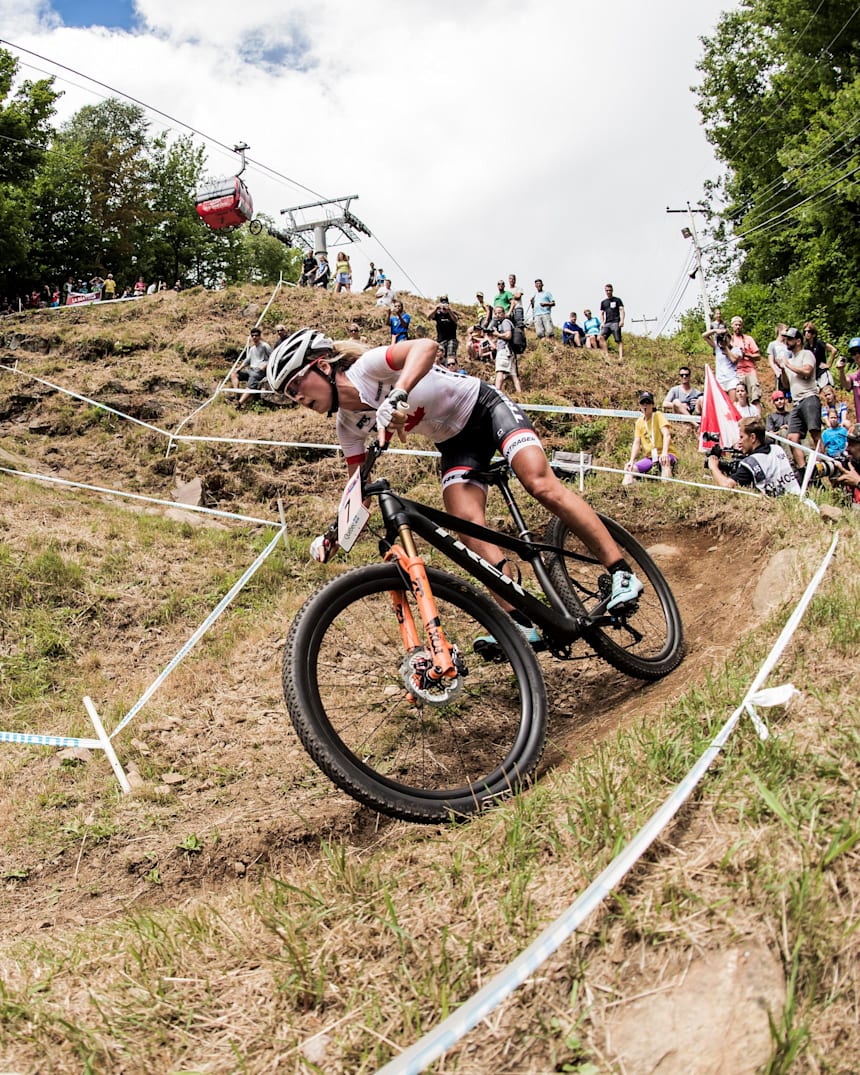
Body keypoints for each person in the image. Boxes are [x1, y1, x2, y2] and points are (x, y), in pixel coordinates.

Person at [267, 329, 645, 625]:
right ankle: (519, 619)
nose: (296, 396)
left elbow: (426, 347)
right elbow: (358, 490)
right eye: (288, 394)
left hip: (484, 408)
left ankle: (621, 572)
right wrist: (335, 535)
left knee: (539, 484)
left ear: (322, 366)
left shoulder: (368, 367)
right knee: (467, 527)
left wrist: (398, 394)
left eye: (296, 384)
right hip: (456, 443)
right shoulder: (347, 426)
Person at [706, 415, 801, 497]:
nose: (740, 441)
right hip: (798, 498)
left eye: (742, 437)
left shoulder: (752, 462)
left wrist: (714, 467)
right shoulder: (777, 449)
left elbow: (727, 485)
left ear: (752, 437)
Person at [777, 326, 820, 468]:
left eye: (790, 339)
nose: (787, 341)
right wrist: (783, 369)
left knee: (815, 434)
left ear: (798, 341)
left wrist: (788, 365)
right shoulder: (790, 360)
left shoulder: (806, 354)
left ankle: (821, 466)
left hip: (809, 398)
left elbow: (807, 371)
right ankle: (803, 469)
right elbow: (786, 384)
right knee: (792, 437)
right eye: (786, 339)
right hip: (796, 403)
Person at [623, 391, 675, 484]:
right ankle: (628, 488)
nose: (645, 405)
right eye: (643, 403)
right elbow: (636, 442)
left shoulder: (658, 416)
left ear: (652, 404)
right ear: (640, 405)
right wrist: (631, 460)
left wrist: (664, 453)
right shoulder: (639, 422)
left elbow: (666, 434)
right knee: (629, 469)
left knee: (664, 461)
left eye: (648, 402)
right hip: (650, 458)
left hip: (666, 454)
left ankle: (667, 487)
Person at [231, 327, 271, 408]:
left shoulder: (265, 346)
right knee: (234, 373)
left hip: (259, 371)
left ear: (259, 336)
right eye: (252, 336)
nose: (254, 337)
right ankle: (236, 396)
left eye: (256, 335)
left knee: (251, 382)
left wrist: (266, 364)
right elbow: (247, 360)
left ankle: (239, 404)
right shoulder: (252, 349)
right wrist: (239, 368)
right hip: (251, 369)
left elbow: (273, 358)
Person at [487, 304, 521, 394]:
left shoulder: (505, 322)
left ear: (503, 313)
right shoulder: (504, 323)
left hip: (504, 351)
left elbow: (508, 335)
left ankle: (497, 393)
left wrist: (497, 334)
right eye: (496, 313)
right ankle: (520, 394)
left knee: (499, 371)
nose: (497, 315)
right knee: (513, 375)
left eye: (499, 313)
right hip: (509, 352)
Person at [728, 316, 761, 404]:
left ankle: (757, 412)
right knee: (739, 397)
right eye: (736, 325)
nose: (738, 327)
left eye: (739, 325)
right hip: (737, 371)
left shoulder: (748, 339)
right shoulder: (729, 340)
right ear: (732, 325)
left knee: (755, 394)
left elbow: (758, 356)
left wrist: (747, 354)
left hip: (750, 370)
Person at [702, 325, 740, 401]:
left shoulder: (736, 349)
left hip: (732, 379)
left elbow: (734, 359)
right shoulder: (717, 348)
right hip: (720, 380)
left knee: (733, 404)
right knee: (721, 404)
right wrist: (715, 331)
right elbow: (704, 336)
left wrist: (725, 347)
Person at [830, 422, 860, 507]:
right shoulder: (853, 465)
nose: (847, 448)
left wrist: (857, 481)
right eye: (847, 443)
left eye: (852, 444)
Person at [803, 321, 837, 388]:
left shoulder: (819, 343)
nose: (807, 333)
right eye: (805, 332)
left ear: (813, 334)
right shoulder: (806, 347)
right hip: (814, 375)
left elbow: (834, 350)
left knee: (826, 391)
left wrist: (829, 365)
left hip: (822, 373)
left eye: (809, 331)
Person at [836, 338, 860, 421]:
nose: (857, 355)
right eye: (854, 353)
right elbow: (845, 384)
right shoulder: (855, 376)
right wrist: (841, 370)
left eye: (859, 351)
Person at [598, 284, 625, 360]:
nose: (608, 292)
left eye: (610, 290)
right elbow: (601, 313)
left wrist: (622, 320)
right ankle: (606, 355)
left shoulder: (617, 300)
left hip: (615, 322)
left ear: (612, 290)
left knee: (618, 340)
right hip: (607, 323)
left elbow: (622, 310)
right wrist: (602, 323)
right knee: (600, 337)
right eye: (607, 290)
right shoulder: (603, 302)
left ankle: (621, 357)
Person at [429, 296, 459, 360]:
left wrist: (449, 311)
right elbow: (429, 317)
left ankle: (452, 364)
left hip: (451, 339)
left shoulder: (452, 313)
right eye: (443, 304)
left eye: (445, 304)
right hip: (441, 339)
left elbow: (456, 320)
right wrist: (436, 309)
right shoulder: (438, 314)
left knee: (450, 355)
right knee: (440, 357)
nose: (444, 306)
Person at [767, 323, 790, 395]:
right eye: (786, 330)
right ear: (780, 330)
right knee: (780, 394)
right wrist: (776, 371)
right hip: (779, 373)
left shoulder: (788, 345)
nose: (787, 332)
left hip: (789, 372)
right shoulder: (772, 344)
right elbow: (771, 360)